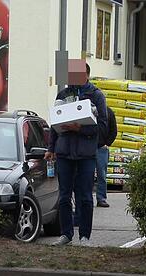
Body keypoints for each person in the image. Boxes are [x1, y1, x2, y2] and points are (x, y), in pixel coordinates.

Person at [45, 62, 108, 246]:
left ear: (86, 75)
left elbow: (103, 127)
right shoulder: (63, 95)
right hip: (64, 153)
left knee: (85, 197)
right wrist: (51, 148)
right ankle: (66, 234)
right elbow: (54, 125)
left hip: (86, 154)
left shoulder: (96, 96)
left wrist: (80, 128)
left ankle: (85, 236)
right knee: (64, 196)